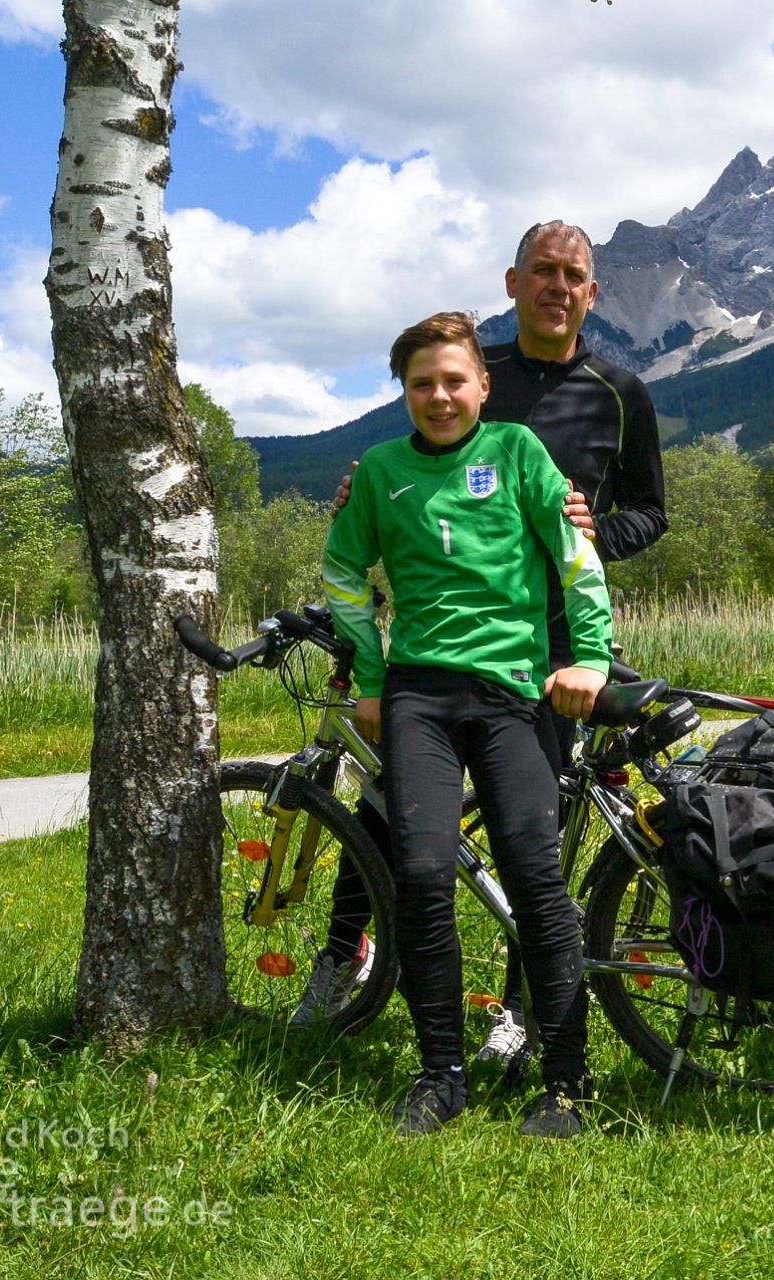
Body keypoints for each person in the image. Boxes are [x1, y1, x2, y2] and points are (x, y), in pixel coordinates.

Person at [331, 220, 668, 1069]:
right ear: (513, 283)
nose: (558, 286)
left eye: (575, 276)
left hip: (545, 648)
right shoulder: (473, 374)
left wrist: (597, 530)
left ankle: (521, 1019)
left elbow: (649, 512)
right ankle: (346, 957)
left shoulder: (619, 389)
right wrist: (370, 491)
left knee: (535, 843)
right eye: (542, 272)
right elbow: (414, 458)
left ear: (591, 293)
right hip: (429, 660)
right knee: (400, 829)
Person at [322, 310, 610, 1139]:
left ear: (483, 385)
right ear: (403, 393)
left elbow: (574, 555)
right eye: (421, 384)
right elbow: (344, 565)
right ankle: (440, 1072)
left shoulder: (518, 451)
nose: (439, 397)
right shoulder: (379, 471)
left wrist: (588, 656)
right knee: (417, 873)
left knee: (533, 878)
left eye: (454, 381)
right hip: (417, 696)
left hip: (512, 696)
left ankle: (565, 1083)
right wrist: (370, 674)